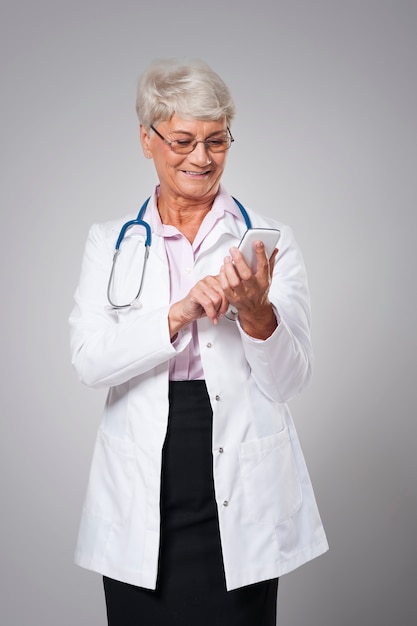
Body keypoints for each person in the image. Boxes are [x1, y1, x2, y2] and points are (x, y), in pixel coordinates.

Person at [69, 58, 328, 626]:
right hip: (148, 471)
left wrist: (259, 314)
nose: (201, 158)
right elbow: (90, 361)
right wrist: (177, 313)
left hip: (237, 471)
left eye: (217, 140)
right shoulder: (110, 242)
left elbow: (289, 381)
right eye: (183, 139)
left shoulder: (268, 242)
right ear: (147, 139)